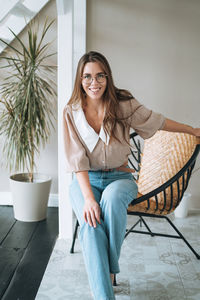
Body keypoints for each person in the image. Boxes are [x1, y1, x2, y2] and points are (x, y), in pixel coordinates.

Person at [63, 51, 200, 300]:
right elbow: (76, 160)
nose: (94, 83)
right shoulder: (71, 112)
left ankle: (108, 271)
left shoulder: (122, 103)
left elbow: (156, 121)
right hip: (86, 181)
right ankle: (106, 292)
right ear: (80, 80)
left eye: (100, 76)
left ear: (108, 76)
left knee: (113, 201)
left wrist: (191, 129)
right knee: (91, 224)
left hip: (120, 178)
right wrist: (89, 199)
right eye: (88, 77)